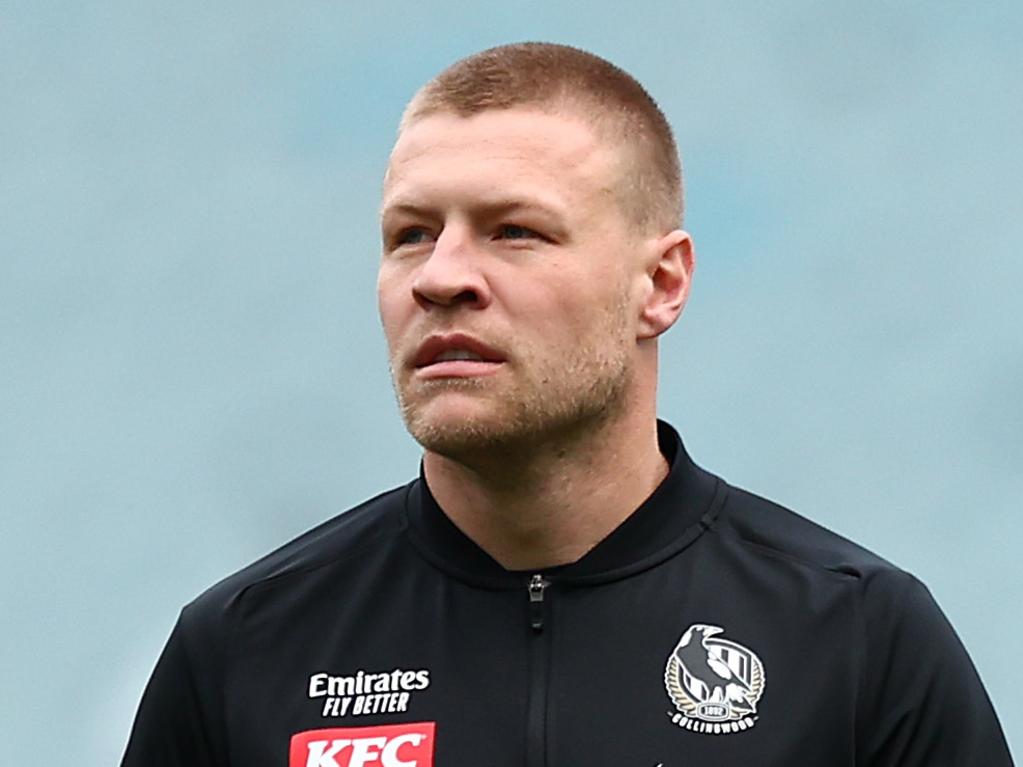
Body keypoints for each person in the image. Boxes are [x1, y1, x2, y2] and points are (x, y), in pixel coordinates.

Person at [121, 42, 1013, 767]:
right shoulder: (244, 646)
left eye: (515, 231)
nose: (441, 277)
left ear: (659, 284)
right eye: (410, 236)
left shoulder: (855, 638)